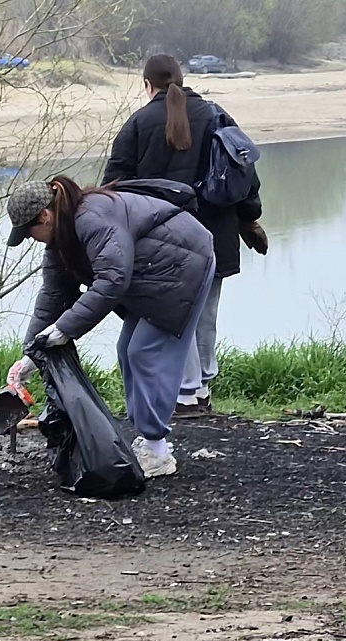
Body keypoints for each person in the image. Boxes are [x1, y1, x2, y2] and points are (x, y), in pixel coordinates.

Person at [4, 175, 215, 477]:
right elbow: (53, 295)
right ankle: (151, 440)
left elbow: (112, 280)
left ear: (45, 216)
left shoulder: (92, 219)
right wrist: (31, 354)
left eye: (29, 232)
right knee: (127, 349)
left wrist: (65, 329)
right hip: (150, 272)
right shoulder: (60, 239)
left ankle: (157, 450)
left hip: (183, 263)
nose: (30, 238)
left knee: (144, 352)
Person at [102, 53, 266, 417]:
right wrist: (250, 219)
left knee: (178, 315)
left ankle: (187, 392)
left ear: (147, 85)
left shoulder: (139, 123)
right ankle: (202, 389)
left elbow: (113, 186)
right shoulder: (216, 115)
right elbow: (244, 174)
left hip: (164, 240)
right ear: (181, 79)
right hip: (217, 234)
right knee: (206, 316)